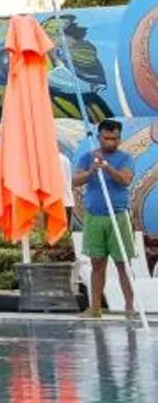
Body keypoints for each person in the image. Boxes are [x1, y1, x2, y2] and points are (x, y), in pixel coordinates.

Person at [72, 118, 139, 320]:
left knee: (123, 264)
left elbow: (126, 180)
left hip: (118, 216)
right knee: (97, 264)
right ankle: (95, 308)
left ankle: (130, 308)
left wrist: (107, 167)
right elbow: (74, 180)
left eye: (115, 139)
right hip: (94, 217)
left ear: (120, 138)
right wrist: (92, 171)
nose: (111, 142)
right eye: (107, 138)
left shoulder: (125, 158)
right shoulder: (87, 157)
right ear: (99, 137)